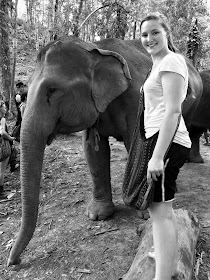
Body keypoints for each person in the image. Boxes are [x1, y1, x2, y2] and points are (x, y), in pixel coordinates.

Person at [139, 14, 191, 280]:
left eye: (155, 32)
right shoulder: (158, 63)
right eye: (145, 34)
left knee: (159, 211)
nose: (149, 39)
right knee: (162, 208)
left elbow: (173, 111)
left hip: (167, 142)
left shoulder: (171, 61)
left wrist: (157, 156)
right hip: (162, 140)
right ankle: (164, 254)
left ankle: (163, 275)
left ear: (167, 33)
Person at [0, 100, 16, 199]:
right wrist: (10, 138)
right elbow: (2, 132)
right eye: (4, 107)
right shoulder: (2, 119)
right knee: (1, 170)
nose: (5, 109)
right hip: (2, 146)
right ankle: (1, 193)